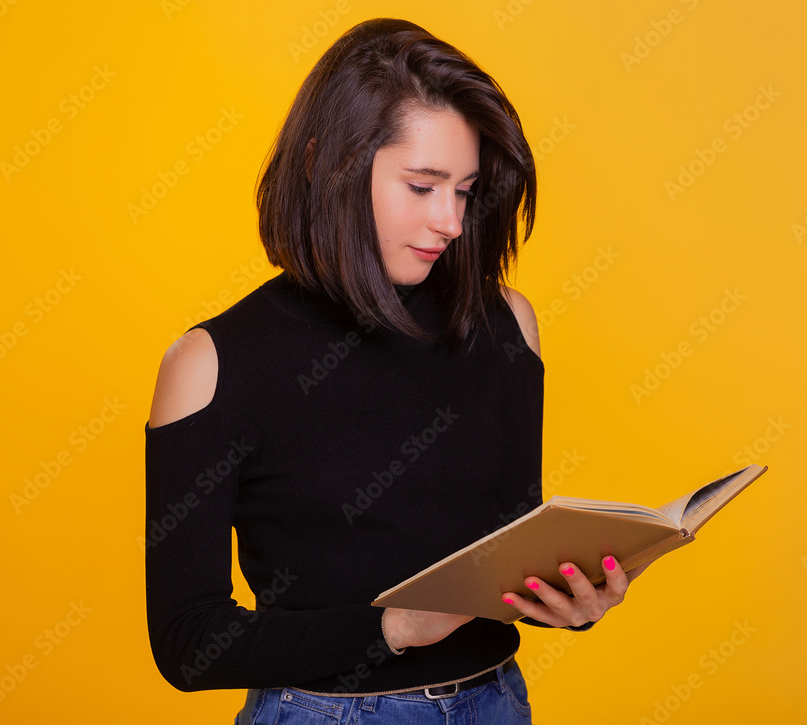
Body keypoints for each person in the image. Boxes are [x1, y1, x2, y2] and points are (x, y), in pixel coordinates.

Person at [144, 17, 646, 724]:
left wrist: (574, 600)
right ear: (325, 165)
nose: (451, 221)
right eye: (421, 186)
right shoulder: (209, 364)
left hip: (496, 701)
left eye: (465, 191)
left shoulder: (504, 322)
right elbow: (187, 640)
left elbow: (507, 556)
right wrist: (393, 626)